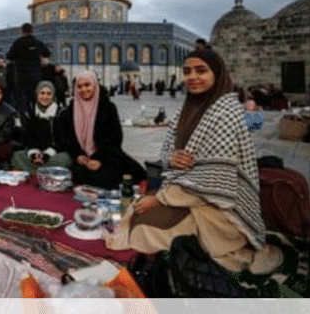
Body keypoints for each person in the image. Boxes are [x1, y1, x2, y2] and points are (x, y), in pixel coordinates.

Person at [104, 48, 284, 275]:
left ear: (217, 74)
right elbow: (169, 150)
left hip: (219, 207)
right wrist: (172, 157)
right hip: (189, 192)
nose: (193, 77)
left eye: (201, 71)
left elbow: (216, 179)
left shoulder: (227, 113)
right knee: (137, 213)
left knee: (143, 226)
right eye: (187, 71)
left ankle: (225, 251)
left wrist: (160, 199)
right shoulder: (187, 109)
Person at [58, 71, 146, 190]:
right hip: (82, 159)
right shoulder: (70, 112)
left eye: (87, 85)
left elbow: (115, 139)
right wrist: (78, 155)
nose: (83, 89)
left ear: (95, 85)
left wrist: (98, 159)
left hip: (107, 155)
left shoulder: (107, 108)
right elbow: (67, 140)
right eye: (79, 86)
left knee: (114, 175)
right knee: (79, 174)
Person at [10, 81, 72, 173]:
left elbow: (62, 141)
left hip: (54, 154)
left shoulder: (61, 113)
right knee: (17, 156)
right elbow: (28, 138)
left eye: (48, 94)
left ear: (53, 96)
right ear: (37, 95)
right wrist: (34, 154)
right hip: (37, 152)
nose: (45, 97)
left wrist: (47, 154)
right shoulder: (31, 113)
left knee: (65, 159)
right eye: (42, 93)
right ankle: (43, 171)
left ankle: (35, 172)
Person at [6, 23, 51, 116]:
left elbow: (9, 56)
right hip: (35, 76)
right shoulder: (37, 43)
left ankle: (24, 118)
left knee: (22, 100)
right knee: (35, 98)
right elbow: (47, 53)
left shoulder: (18, 43)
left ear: (22, 31)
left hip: (21, 76)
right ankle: (35, 117)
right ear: (32, 31)